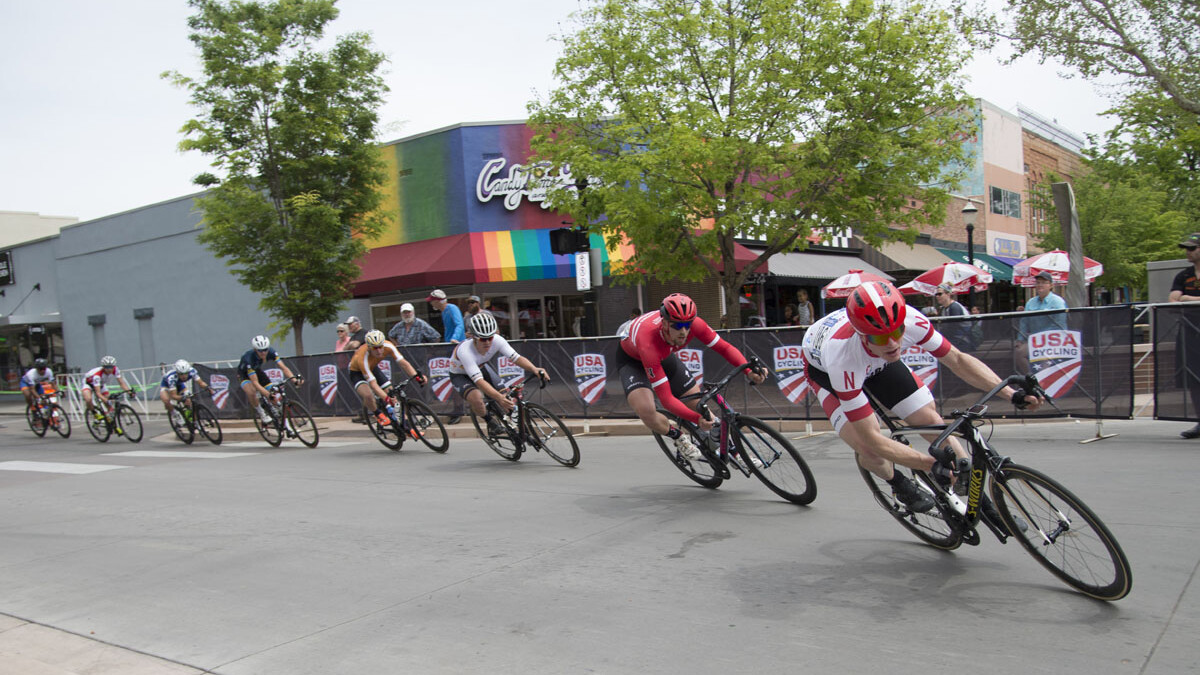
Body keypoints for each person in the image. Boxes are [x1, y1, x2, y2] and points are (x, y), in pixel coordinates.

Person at [801, 281, 1041, 515]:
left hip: (878, 363)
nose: (894, 343)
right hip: (826, 373)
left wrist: (1011, 394)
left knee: (929, 419)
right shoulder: (842, 359)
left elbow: (957, 360)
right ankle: (899, 484)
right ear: (863, 336)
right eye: (881, 337)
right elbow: (873, 440)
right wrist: (930, 464)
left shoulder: (910, 320)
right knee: (868, 448)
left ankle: (981, 503)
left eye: (897, 332)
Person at [616, 293, 767, 461]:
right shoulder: (648, 343)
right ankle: (677, 436)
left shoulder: (695, 325)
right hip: (632, 361)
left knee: (697, 403)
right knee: (646, 409)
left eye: (687, 324)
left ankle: (733, 451)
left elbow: (724, 348)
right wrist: (697, 420)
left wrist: (749, 370)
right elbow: (666, 398)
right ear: (665, 323)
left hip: (663, 356)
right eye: (678, 326)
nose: (683, 331)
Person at [448, 312, 549, 437]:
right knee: (477, 399)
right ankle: (489, 420)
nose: (488, 342)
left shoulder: (498, 340)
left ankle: (518, 429)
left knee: (507, 398)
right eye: (483, 339)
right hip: (460, 375)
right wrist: (498, 398)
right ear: (474, 337)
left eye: (490, 338)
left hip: (481, 367)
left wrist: (534, 369)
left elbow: (516, 358)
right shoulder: (465, 351)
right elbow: (479, 381)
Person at [348, 329, 427, 427]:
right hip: (357, 371)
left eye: (380, 347)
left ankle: (405, 423)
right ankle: (377, 414)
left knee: (393, 395)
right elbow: (373, 385)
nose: (379, 350)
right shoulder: (362, 357)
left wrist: (417, 377)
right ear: (369, 348)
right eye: (375, 348)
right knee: (368, 395)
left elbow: (404, 364)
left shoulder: (388, 345)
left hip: (373, 367)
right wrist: (387, 399)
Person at [1169, 232, 1200, 438]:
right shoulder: (1183, 275)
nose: (1187, 252)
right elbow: (1172, 300)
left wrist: (1186, 298)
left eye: (1192, 248)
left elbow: (1181, 299)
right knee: (1194, 377)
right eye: (1186, 248)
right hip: (1190, 330)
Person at [238, 335, 302, 424]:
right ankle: (262, 414)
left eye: (265, 350)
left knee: (273, 393)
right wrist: (268, 394)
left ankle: (286, 424)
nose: (263, 353)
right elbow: (255, 382)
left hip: (257, 371)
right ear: (255, 349)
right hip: (244, 374)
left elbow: (283, 367)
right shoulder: (248, 358)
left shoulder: (271, 352)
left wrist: (294, 380)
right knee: (252, 391)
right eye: (260, 351)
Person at [429, 289, 466, 423]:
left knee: (459, 376)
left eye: (432, 300)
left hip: (457, 347)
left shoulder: (451, 308)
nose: (431, 303)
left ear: (438, 301)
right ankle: (458, 407)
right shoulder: (445, 311)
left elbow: (459, 324)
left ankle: (460, 408)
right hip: (452, 348)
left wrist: (455, 338)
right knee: (456, 377)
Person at [1017, 271, 1068, 339]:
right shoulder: (1030, 302)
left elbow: (1061, 325)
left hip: (1054, 340)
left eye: (1044, 282)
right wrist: (1020, 340)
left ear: (1051, 285)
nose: (1040, 285)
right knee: (1020, 349)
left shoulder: (1058, 302)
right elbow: (1024, 324)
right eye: (1038, 282)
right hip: (1034, 341)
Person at [933, 283, 974, 350]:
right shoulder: (943, 309)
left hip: (962, 340)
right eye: (936, 294)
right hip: (953, 339)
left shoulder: (955, 307)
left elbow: (953, 328)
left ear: (948, 294)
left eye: (939, 294)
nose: (937, 296)